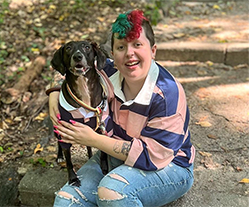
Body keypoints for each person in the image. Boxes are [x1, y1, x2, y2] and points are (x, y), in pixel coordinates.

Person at [47, 9, 195, 207]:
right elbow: (72, 72)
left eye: (137, 45)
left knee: (111, 192)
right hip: (114, 154)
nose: (129, 54)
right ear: (113, 54)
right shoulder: (109, 71)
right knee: (66, 201)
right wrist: (55, 93)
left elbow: (153, 156)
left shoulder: (167, 95)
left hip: (170, 166)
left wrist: (93, 140)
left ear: (153, 50)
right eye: (121, 47)